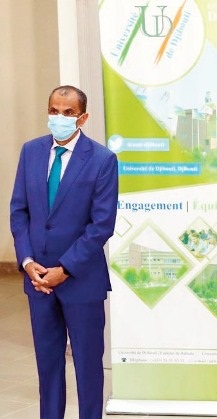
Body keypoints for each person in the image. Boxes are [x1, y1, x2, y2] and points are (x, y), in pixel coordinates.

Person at [10, 85, 119, 419]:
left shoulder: (102, 160)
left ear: (82, 117)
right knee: (48, 365)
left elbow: (101, 225)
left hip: (80, 281)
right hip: (38, 281)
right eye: (53, 110)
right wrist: (28, 262)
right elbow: (19, 211)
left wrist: (65, 269)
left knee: (88, 366)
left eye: (67, 113)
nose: (58, 118)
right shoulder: (30, 152)